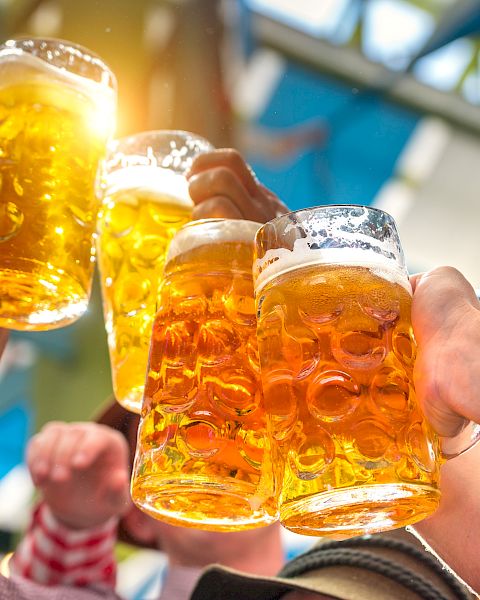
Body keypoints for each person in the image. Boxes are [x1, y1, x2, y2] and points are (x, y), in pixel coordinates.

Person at [0, 149, 479, 599]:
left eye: (250, 408)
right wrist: (71, 523)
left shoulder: (366, 563)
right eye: (181, 433)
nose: (223, 439)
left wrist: (317, 281)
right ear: (137, 516)